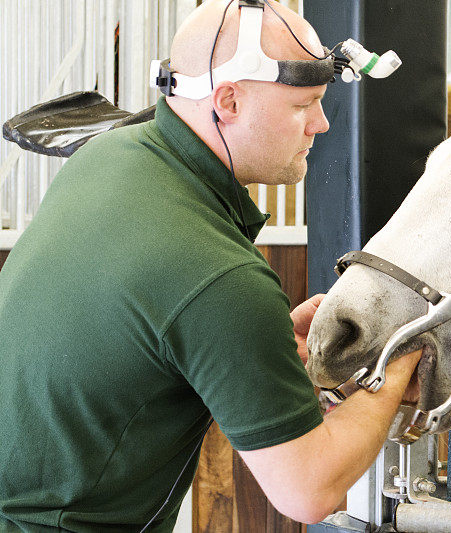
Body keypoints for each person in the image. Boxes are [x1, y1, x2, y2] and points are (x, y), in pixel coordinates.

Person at [0, 1, 421, 530]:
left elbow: (141, 333)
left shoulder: (108, 156)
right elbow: (309, 491)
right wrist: (401, 356)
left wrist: (254, 340)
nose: (322, 123)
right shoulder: (219, 277)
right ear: (228, 101)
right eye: (303, 105)